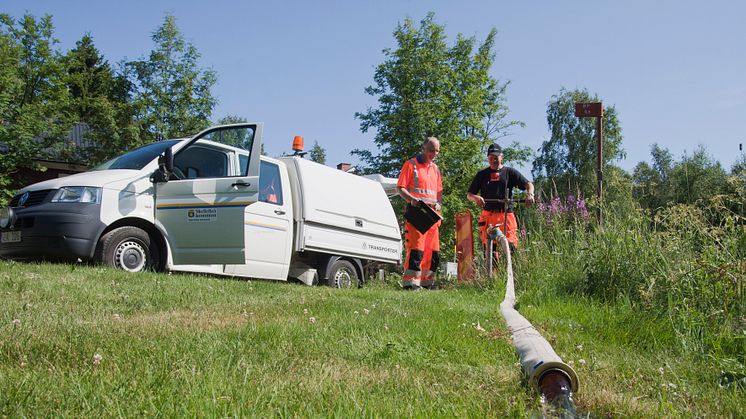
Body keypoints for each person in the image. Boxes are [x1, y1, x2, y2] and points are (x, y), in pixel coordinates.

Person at [467, 143, 534, 258]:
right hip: (488, 216)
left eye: (496, 157)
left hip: (506, 215)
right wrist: (476, 198)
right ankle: (492, 275)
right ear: (488, 158)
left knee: (511, 248)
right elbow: (469, 194)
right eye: (491, 157)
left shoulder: (510, 172)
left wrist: (530, 194)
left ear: (501, 157)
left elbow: (529, 184)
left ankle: (512, 274)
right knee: (490, 251)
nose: (493, 160)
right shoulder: (482, 175)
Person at [396, 137, 443, 290]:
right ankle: (410, 283)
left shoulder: (436, 169)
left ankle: (427, 283)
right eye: (431, 150)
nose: (434, 154)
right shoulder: (411, 165)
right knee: (416, 249)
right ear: (423, 148)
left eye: (436, 151)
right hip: (416, 212)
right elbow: (400, 188)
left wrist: (438, 204)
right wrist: (412, 199)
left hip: (432, 215)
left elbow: (438, 194)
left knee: (432, 251)